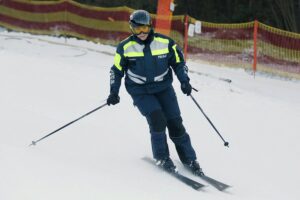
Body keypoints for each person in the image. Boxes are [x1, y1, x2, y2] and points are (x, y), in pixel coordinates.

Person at [106, 10, 203, 175]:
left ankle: (189, 158)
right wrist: (113, 92)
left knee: (175, 123)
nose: (142, 33)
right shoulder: (125, 47)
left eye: (145, 28)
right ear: (132, 28)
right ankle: (162, 156)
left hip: (164, 88)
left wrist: (185, 81)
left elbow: (178, 63)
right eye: (137, 29)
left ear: (150, 26)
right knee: (157, 120)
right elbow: (116, 70)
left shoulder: (165, 43)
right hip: (140, 90)